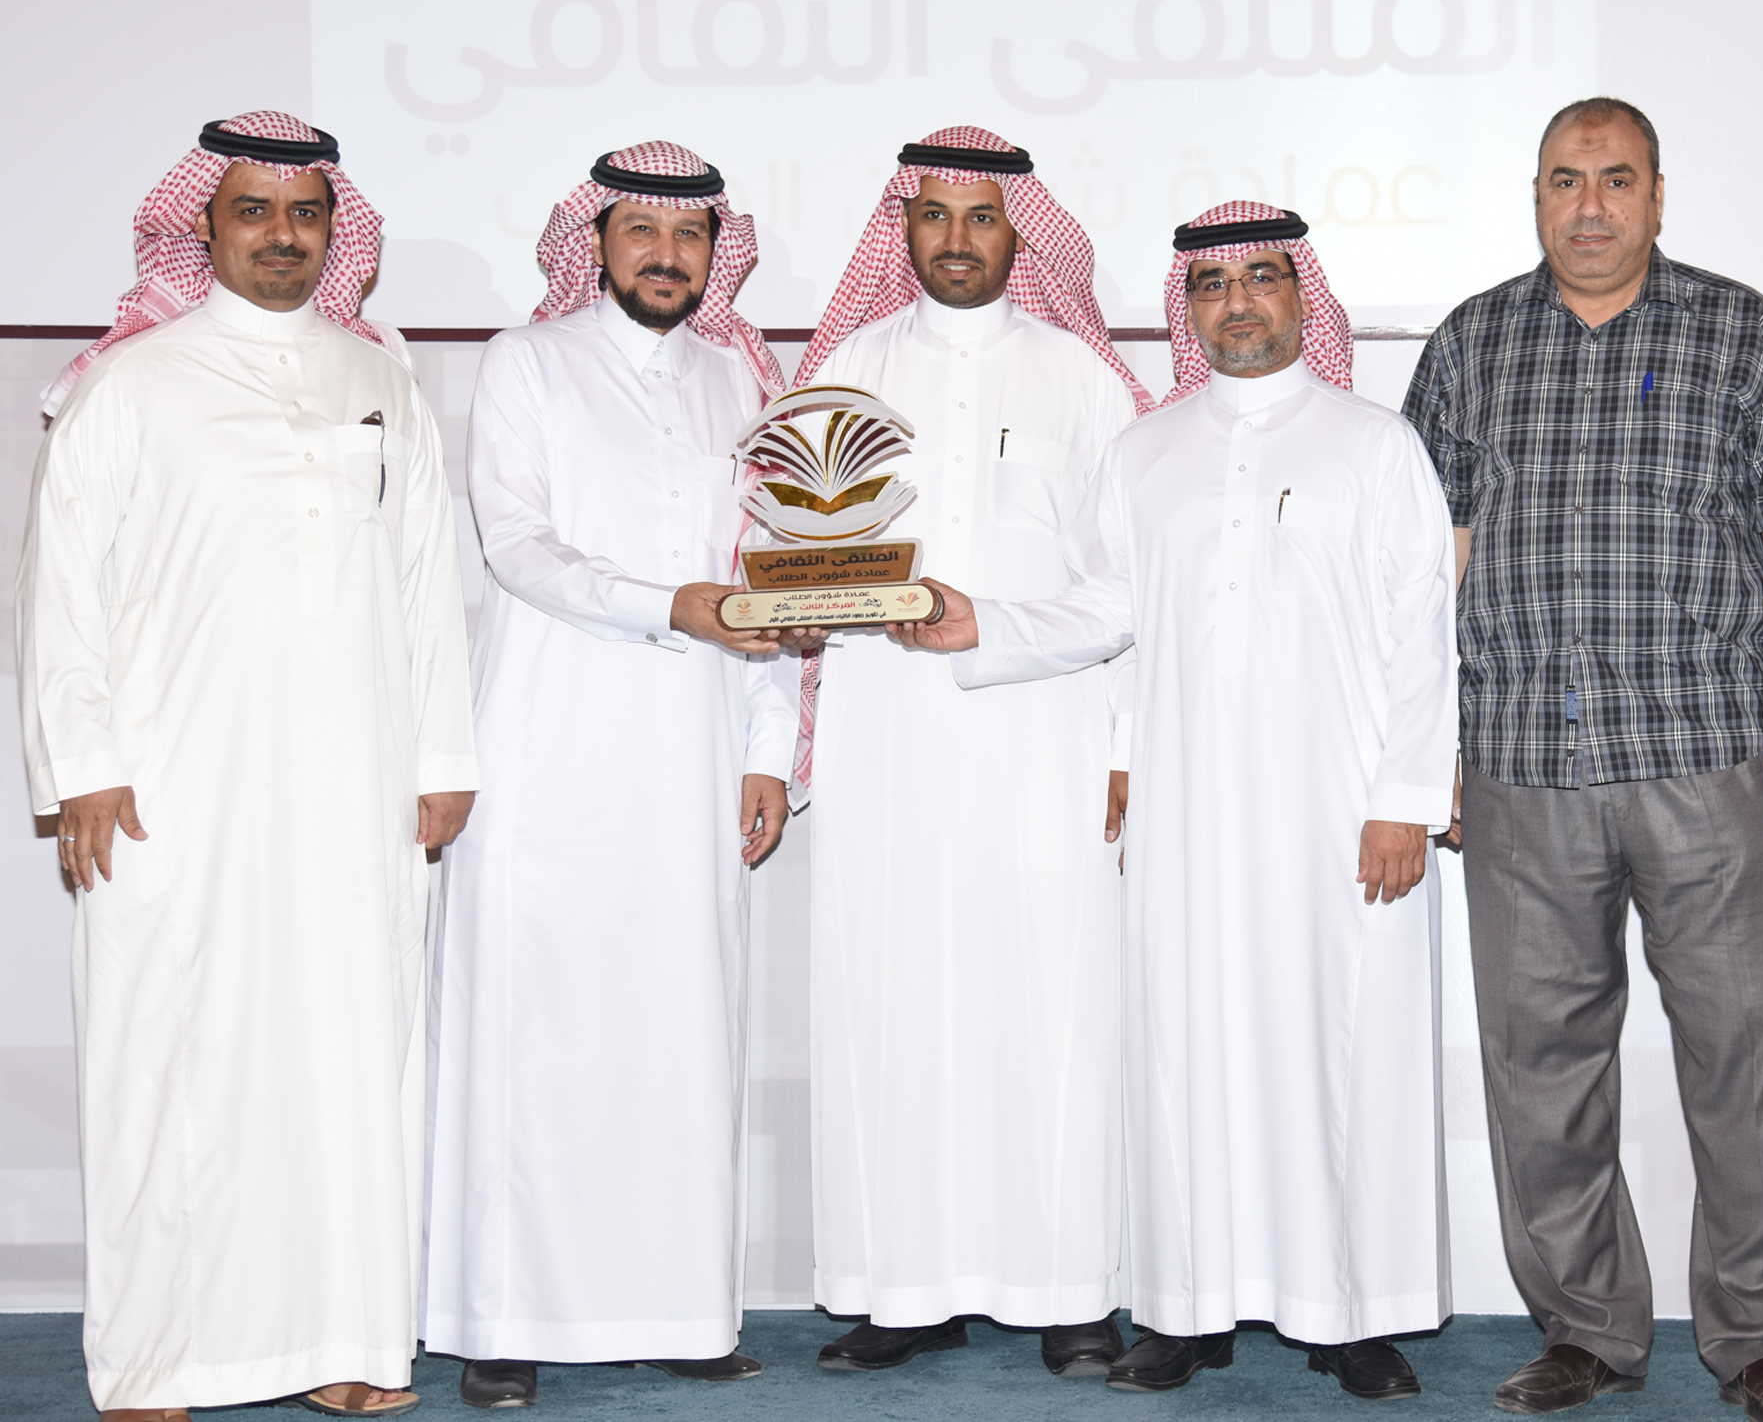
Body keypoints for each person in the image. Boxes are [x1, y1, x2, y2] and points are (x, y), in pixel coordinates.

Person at [893, 201, 1457, 1403]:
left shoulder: (1372, 445)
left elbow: (1424, 634)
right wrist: (981, 622)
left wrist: (1405, 796)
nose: (1236, 302)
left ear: (1302, 295)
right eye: (1210, 284)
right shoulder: (1144, 452)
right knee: (1185, 1048)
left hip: (1339, 810)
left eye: (1261, 277)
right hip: (1190, 812)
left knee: (1341, 1051)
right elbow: (1104, 607)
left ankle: (1352, 1313)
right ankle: (1188, 1310)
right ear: (1186, 308)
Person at [17, 112, 477, 1420]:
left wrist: (442, 752)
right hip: (174, 790)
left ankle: (347, 1338)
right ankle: (160, 1357)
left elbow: (425, 579)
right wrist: (81, 765)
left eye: (305, 213)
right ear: (201, 226)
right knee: (170, 1059)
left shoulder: (380, 379)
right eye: (253, 210)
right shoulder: (128, 382)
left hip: (357, 787)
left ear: (335, 231)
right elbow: (59, 590)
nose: (283, 234)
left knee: (349, 1059)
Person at [1401, 97, 1763, 1422]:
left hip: (1711, 753)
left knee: (1748, 1060)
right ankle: (1586, 1326)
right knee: (1539, 1065)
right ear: (1535, 196)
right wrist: (1430, 746)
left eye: (1615, 179)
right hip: (1519, 758)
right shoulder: (1472, 341)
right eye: (1563, 180)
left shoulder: (1739, 331)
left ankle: (1759, 1336)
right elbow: (1433, 563)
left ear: (1657, 194)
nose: (1588, 206)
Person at [421, 143, 803, 1409]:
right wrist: (665, 604)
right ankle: (505, 1317)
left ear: (714, 252)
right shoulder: (526, 362)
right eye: (641, 230)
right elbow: (518, 543)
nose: (666, 255)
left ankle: (677, 1307)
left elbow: (755, 576)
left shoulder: (738, 379)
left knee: (677, 1027)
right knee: (532, 1027)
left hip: (693, 746)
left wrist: (765, 748)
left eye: (689, 235)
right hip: (550, 741)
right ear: (595, 241)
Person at [788, 126, 1149, 1379]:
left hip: (1042, 736)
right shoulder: (847, 367)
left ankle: (1067, 1286)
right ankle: (904, 1287)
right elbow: (791, 557)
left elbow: (1127, 591)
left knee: (1052, 1001)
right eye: (931, 214)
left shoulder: (1082, 380)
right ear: (902, 227)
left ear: (1016, 232)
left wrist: (1111, 733)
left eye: (980, 216)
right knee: (889, 999)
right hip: (884, 736)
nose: (954, 238)